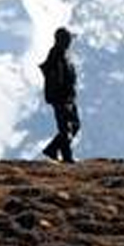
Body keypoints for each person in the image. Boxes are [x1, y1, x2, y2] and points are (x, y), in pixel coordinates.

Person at [38, 27, 80, 163]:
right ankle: (66, 157)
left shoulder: (62, 54)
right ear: (64, 40)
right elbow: (58, 79)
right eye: (68, 39)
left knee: (73, 125)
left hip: (66, 97)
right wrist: (63, 97)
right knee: (66, 127)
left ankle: (52, 149)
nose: (70, 42)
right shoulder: (57, 55)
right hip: (62, 98)